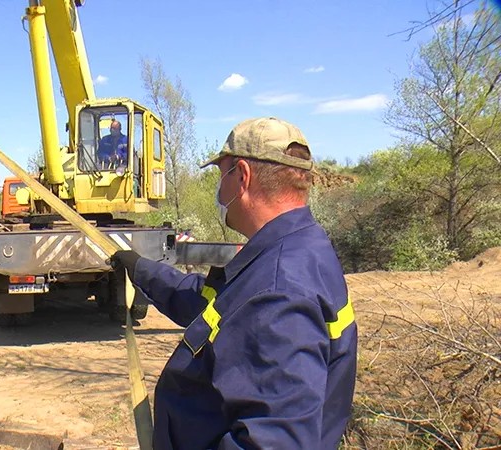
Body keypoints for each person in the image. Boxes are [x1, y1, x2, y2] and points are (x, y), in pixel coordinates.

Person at [111, 117, 357, 449]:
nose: (219, 188)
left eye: (220, 175)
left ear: (241, 176)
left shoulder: (279, 290)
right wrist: (143, 270)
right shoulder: (296, 249)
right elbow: (212, 303)